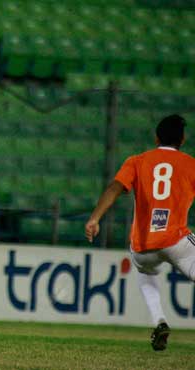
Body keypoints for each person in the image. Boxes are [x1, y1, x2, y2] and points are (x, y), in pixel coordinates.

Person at [85, 114, 195, 351]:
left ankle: (159, 321)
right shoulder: (190, 164)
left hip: (143, 246)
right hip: (177, 241)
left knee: (145, 273)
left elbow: (115, 187)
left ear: (156, 138)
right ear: (183, 139)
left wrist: (95, 218)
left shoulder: (137, 161)